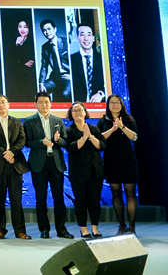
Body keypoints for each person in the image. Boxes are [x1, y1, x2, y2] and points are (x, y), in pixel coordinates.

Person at [24, 92, 73, 239]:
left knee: (59, 198)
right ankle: (44, 229)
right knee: (41, 198)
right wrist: (42, 143)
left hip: (56, 163)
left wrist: (58, 140)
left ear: (50, 104)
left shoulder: (58, 120)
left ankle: (61, 229)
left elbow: (65, 142)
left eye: (46, 102)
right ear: (36, 104)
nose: (44, 105)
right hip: (38, 164)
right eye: (40, 102)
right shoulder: (29, 121)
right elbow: (27, 142)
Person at [0, 94, 31, 240]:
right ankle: (0, 230)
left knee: (16, 199)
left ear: (8, 104)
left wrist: (12, 152)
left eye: (3, 102)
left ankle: (20, 231)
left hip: (15, 164)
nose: (1, 105)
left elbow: (22, 140)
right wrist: (5, 154)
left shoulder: (17, 122)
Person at [97, 94, 138, 235]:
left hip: (127, 159)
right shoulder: (103, 121)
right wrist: (113, 129)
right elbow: (99, 138)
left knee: (130, 193)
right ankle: (121, 225)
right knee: (116, 193)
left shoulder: (129, 119)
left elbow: (134, 137)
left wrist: (122, 126)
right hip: (111, 160)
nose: (115, 105)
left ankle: (132, 227)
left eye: (118, 102)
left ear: (121, 104)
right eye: (112, 102)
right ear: (108, 105)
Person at [65, 102, 106, 238]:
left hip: (95, 171)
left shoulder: (93, 128)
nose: (77, 113)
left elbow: (102, 146)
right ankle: (83, 229)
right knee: (81, 201)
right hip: (78, 173)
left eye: (80, 110)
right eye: (74, 111)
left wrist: (91, 137)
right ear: (71, 114)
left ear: (85, 112)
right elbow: (71, 147)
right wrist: (83, 138)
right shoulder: (69, 130)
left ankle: (95, 228)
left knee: (95, 200)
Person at [70, 23, 106, 103]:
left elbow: (111, 82)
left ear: (93, 38)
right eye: (82, 35)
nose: (86, 38)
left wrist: (101, 93)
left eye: (89, 35)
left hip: (99, 106)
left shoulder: (102, 59)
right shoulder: (71, 60)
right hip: (78, 106)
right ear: (77, 38)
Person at [38, 19, 72, 101]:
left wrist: (72, 76)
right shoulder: (45, 47)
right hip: (55, 78)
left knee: (64, 94)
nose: (47, 32)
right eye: (44, 30)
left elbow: (76, 61)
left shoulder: (66, 42)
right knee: (40, 93)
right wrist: (41, 83)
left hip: (68, 77)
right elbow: (44, 67)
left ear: (55, 29)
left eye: (49, 29)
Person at [6, 19, 37, 102]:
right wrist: (17, 44)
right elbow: (10, 58)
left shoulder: (32, 41)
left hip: (28, 76)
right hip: (16, 75)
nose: (22, 29)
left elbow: (31, 61)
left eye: (25, 27)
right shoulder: (14, 41)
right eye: (20, 27)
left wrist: (20, 62)